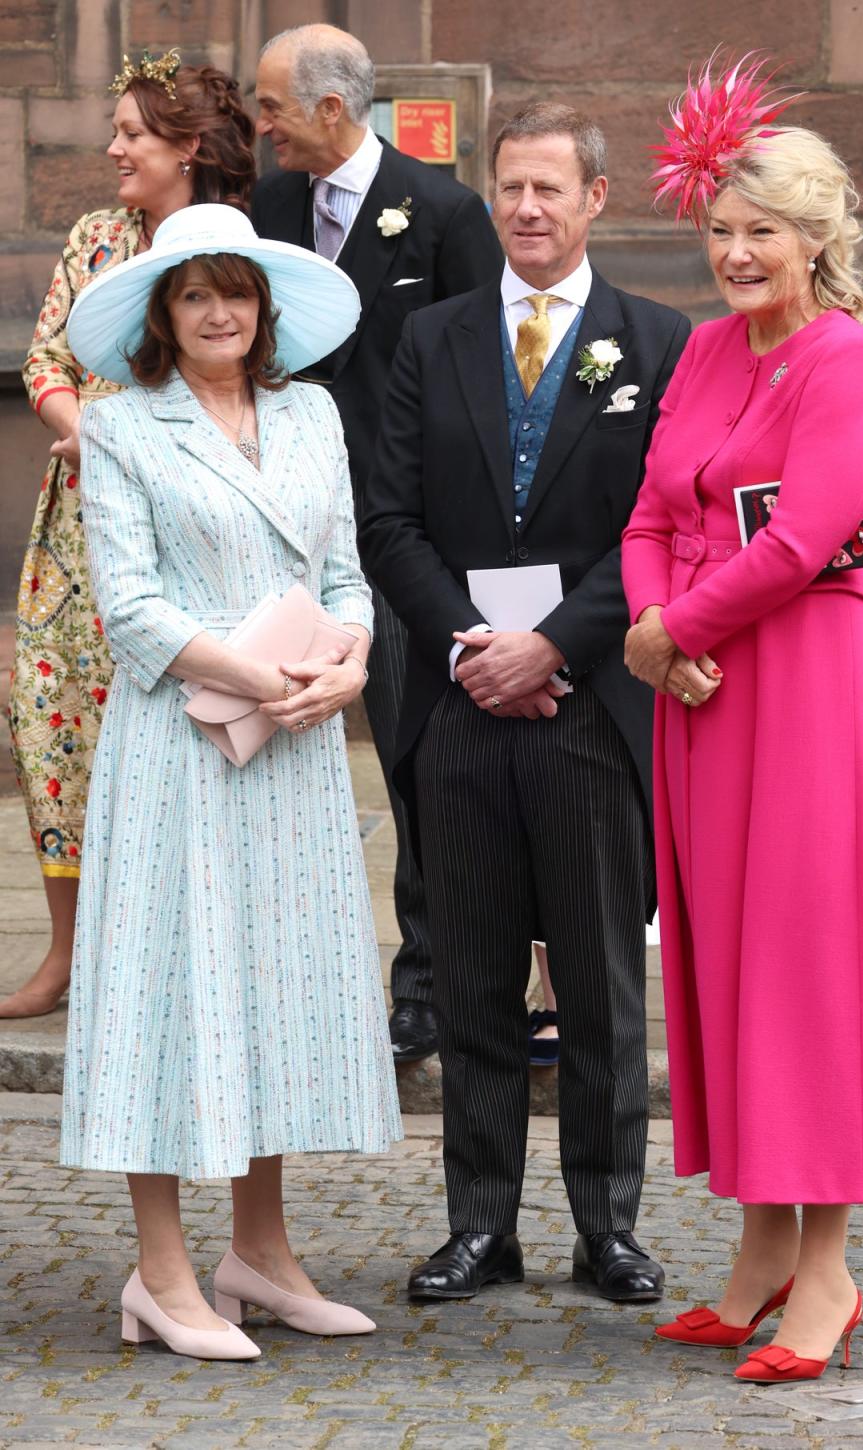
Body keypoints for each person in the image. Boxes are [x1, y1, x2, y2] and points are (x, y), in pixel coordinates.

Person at [60, 202, 401, 1360]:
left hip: (295, 745)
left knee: (273, 986)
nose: (218, 312)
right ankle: (160, 1272)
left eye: (236, 292)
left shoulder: (311, 413)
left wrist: (346, 665)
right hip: (183, 747)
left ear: (265, 309)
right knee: (167, 988)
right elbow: (131, 607)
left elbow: (348, 573)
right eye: (195, 293)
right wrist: (255, 671)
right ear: (162, 310)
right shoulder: (122, 429)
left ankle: (260, 1250)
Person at [360, 103, 689, 1302]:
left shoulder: (657, 342)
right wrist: (469, 649)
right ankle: (479, 1226)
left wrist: (550, 646)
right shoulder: (432, 337)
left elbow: (662, 531)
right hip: (457, 708)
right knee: (474, 977)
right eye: (509, 188)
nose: (527, 210)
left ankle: (608, 1227)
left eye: (551, 188)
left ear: (598, 198)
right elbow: (388, 517)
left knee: (602, 980)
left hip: (590, 706)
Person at [620, 56, 863, 1383]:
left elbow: (799, 539)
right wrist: (656, 627)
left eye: (762, 232)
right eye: (721, 232)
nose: (736, 253)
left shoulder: (846, 361)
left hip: (790, 681)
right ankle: (758, 1251)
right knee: (727, 963)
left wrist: (678, 626)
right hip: (698, 690)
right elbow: (649, 513)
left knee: (802, 963)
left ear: (815, 237)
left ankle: (829, 1268)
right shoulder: (700, 350)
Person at [251, 24, 503, 1063]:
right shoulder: (263, 212)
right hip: (277, 529)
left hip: (398, 542)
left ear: (330, 110)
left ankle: (428, 984)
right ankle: (282, 971)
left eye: (270, 107)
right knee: (263, 750)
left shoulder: (443, 213)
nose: (257, 128)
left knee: (415, 760)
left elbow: (478, 376)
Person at [3, 50, 256, 1020]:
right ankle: (66, 954)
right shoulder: (96, 234)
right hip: (74, 535)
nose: (113, 148)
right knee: (53, 727)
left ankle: (158, 959)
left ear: (187, 149)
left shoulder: (229, 247)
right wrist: (79, 429)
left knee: (164, 742)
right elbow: (46, 356)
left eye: (134, 135)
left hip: (183, 536)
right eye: (114, 130)